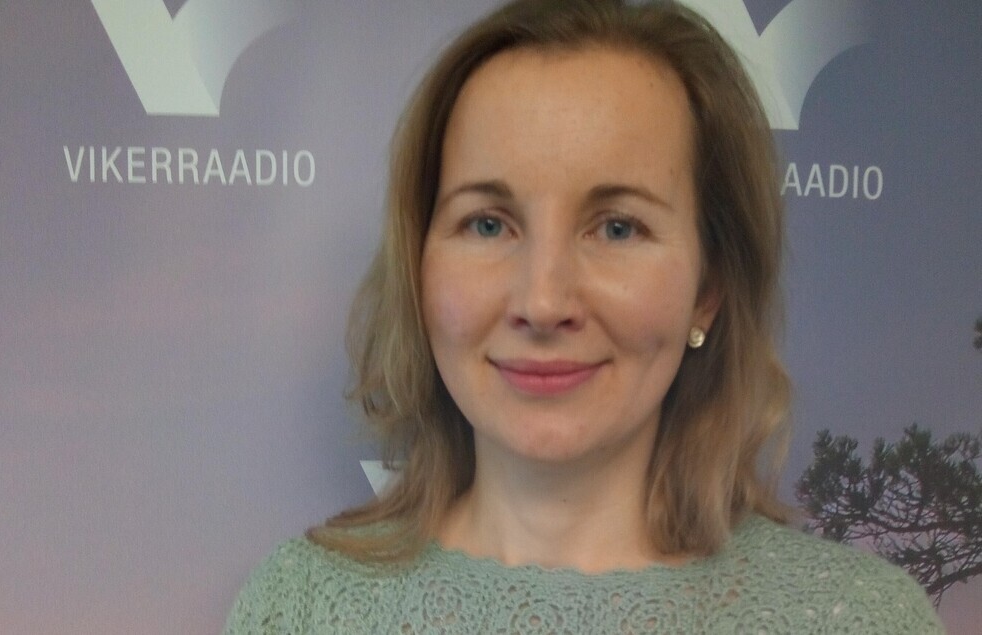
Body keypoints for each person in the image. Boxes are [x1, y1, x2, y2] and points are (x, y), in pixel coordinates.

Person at [225, 0, 943, 632]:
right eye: (488, 224)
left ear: (708, 286)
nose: (543, 303)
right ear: (420, 265)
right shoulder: (298, 609)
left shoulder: (864, 622)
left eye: (617, 228)